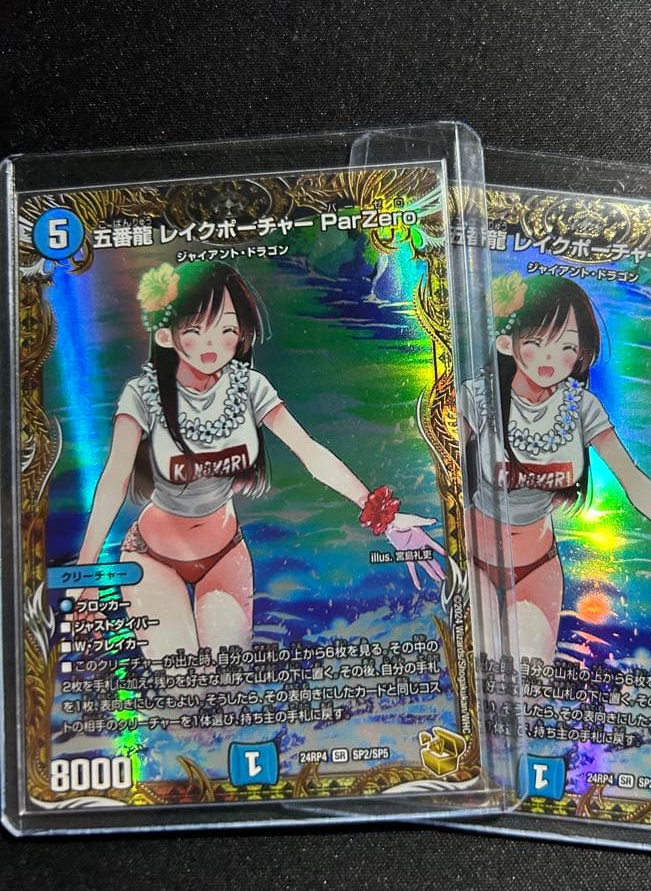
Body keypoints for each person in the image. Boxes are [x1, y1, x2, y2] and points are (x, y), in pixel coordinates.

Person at [74, 259, 444, 662]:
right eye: (196, 330)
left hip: (224, 553)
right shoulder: (142, 395)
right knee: (181, 685)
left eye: (226, 329)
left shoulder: (250, 387)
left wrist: (382, 517)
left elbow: (309, 451)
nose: (213, 344)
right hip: (152, 556)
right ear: (167, 334)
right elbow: (113, 480)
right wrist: (86, 571)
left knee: (228, 677)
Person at [458, 271, 651, 665]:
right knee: (481, 672)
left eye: (567, 346)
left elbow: (633, 479)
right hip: (472, 560)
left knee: (530, 677)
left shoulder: (582, 408)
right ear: (507, 343)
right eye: (538, 342)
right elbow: (445, 466)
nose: (551, 359)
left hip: (537, 568)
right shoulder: (479, 398)